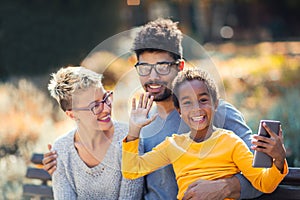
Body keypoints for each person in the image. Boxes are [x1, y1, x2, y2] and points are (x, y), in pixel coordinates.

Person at [43, 18, 272, 199]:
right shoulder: (140, 125)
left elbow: (260, 177)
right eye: (144, 67)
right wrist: (60, 161)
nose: (152, 77)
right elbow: (116, 171)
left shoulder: (216, 114)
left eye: (162, 67)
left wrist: (226, 187)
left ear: (180, 66)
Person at [122, 68, 288, 200]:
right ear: (179, 111)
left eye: (203, 100)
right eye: (187, 102)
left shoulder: (230, 142)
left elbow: (264, 183)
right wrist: (134, 130)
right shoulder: (173, 145)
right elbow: (132, 170)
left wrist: (279, 159)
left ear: (215, 104)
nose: (197, 108)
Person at [47, 66, 143, 199]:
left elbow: (131, 196)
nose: (106, 108)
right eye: (95, 106)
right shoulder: (62, 149)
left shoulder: (129, 139)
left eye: (106, 97)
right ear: (72, 114)